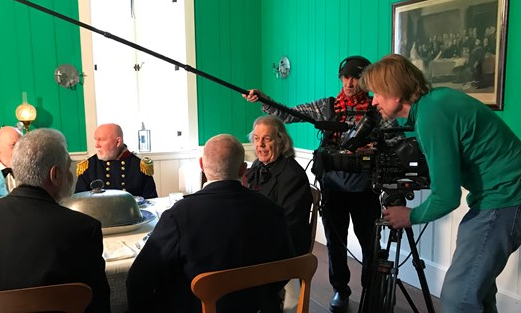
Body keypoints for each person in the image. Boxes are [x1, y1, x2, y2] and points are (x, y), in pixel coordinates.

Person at [360, 53, 521, 312]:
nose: (374, 101)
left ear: (395, 91)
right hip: (508, 194)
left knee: (458, 298)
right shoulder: (434, 103)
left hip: (508, 197)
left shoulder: (431, 115)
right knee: (476, 290)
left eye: (377, 93)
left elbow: (447, 196)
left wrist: (410, 216)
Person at [244, 55, 399, 312]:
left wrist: (374, 150)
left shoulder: (379, 109)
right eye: (346, 77)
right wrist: (263, 100)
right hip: (332, 187)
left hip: (366, 189)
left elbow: (395, 145)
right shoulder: (327, 106)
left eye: (356, 77)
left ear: (366, 79)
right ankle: (340, 289)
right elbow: (289, 114)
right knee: (335, 243)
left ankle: (371, 293)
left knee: (370, 245)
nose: (350, 83)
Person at [126, 134, 295, 313]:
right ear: (243, 170)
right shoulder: (271, 210)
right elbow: (285, 268)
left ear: (201, 166)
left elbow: (138, 280)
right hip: (257, 307)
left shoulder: (179, 215)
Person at [0, 128, 111, 313]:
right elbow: (96, 302)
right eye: (69, 167)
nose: (72, 174)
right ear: (55, 175)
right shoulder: (82, 228)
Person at [246, 115, 312, 256]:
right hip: (262, 235)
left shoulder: (292, 175)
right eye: (257, 138)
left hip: (284, 246)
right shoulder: (258, 164)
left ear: (281, 141)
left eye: (267, 139)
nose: (260, 145)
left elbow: (288, 225)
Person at [75, 123, 157, 198]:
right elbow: (80, 201)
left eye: (101, 140)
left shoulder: (140, 166)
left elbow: (150, 202)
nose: (96, 145)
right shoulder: (88, 166)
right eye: (96, 139)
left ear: (118, 142)